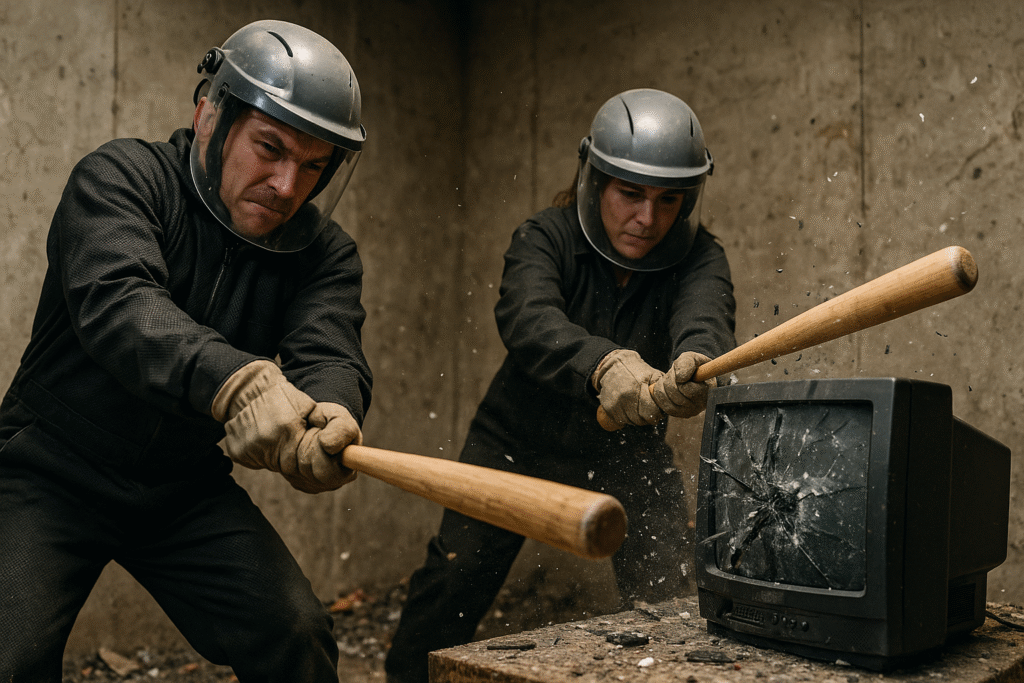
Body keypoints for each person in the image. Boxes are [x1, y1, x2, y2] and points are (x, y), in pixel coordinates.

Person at [0, 20, 371, 682]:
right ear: (209, 114)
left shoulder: (324, 252)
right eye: (270, 149)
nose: (288, 186)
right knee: (10, 656)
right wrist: (237, 381)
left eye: (314, 166)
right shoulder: (119, 178)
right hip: (51, 467)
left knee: (296, 634)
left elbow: (329, 347)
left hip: (181, 486)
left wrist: (333, 410)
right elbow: (119, 304)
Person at [384, 88, 737, 683]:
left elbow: (706, 317)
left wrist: (698, 363)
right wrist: (602, 365)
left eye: (668, 199)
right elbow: (527, 318)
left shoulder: (700, 256)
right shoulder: (544, 236)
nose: (647, 219)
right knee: (454, 579)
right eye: (630, 194)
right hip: (514, 442)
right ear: (595, 181)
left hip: (630, 452)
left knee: (674, 597)